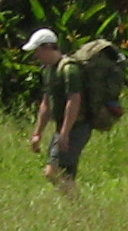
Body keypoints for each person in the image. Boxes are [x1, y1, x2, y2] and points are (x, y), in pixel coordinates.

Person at [26, 27, 90, 192]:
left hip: (77, 127)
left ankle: (80, 207)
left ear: (48, 47)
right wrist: (37, 133)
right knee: (66, 175)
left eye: (38, 51)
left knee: (52, 172)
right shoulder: (49, 71)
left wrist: (65, 133)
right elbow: (46, 104)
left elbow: (73, 101)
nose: (36, 55)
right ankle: (78, 213)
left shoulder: (69, 69)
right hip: (63, 127)